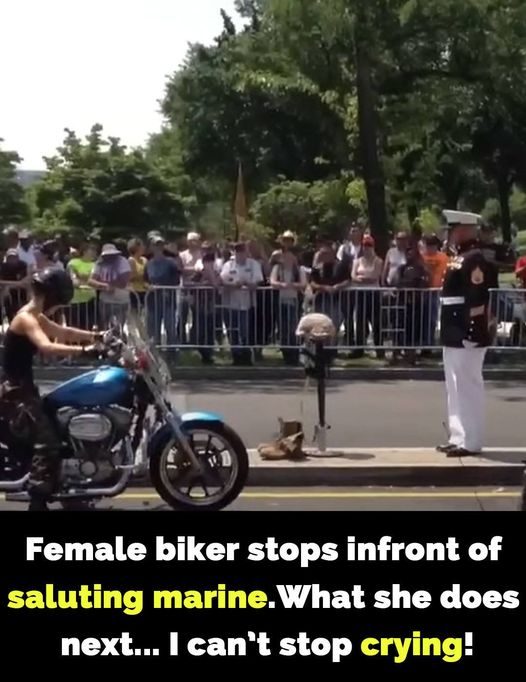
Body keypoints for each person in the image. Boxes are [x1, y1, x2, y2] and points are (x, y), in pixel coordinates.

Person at [0, 268, 102, 511]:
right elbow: (48, 346)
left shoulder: (35, 314)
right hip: (15, 393)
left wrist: (98, 336)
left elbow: (63, 332)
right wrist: (86, 351)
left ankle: (68, 488)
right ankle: (38, 499)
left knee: (59, 422)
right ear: (53, 295)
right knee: (48, 441)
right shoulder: (26, 318)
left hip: (22, 387)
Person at [436, 210, 499, 457]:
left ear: (462, 229)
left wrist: (473, 330)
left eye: (452, 230)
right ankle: (459, 435)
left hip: (466, 331)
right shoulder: (459, 257)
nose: (449, 234)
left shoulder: (474, 258)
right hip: (453, 330)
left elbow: (478, 297)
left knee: (468, 385)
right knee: (454, 386)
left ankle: (472, 441)